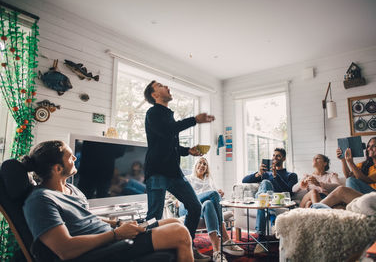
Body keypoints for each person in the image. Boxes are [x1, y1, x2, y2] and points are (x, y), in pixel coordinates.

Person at [22, 140, 193, 262]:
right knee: (180, 233)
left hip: (112, 235)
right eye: (70, 157)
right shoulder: (40, 200)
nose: (75, 158)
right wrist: (116, 234)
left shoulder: (71, 189)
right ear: (57, 168)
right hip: (101, 249)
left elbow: (86, 216)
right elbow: (65, 249)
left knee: (174, 221)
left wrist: (117, 223)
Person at [143, 80, 215, 261]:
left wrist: (187, 151)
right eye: (160, 85)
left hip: (174, 172)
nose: (167, 86)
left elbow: (169, 142)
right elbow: (167, 131)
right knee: (153, 217)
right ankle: (147, 254)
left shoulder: (168, 115)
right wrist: (194, 120)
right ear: (154, 94)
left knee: (194, 206)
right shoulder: (153, 113)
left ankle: (187, 246)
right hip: (157, 172)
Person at [180, 157, 244, 262]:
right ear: (195, 165)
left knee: (209, 203)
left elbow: (215, 201)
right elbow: (184, 196)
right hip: (188, 206)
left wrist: (220, 195)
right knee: (213, 194)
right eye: (200, 163)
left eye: (204, 164)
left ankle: (216, 252)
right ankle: (226, 238)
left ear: (207, 168)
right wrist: (214, 194)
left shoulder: (209, 181)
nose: (202, 165)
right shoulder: (188, 178)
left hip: (202, 209)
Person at [313, 137, 376, 209]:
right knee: (346, 184)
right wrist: (343, 160)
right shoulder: (366, 165)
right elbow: (347, 176)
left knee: (345, 186)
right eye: (368, 146)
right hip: (364, 197)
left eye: (374, 146)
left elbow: (364, 180)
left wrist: (350, 162)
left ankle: (316, 209)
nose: (369, 148)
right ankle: (316, 209)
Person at [242, 148, 298, 253]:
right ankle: (272, 219)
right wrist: (258, 173)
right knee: (265, 184)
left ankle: (261, 237)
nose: (274, 158)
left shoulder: (291, 175)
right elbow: (244, 180)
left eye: (278, 156)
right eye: (273, 155)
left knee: (265, 187)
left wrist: (276, 176)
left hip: (275, 200)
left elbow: (288, 192)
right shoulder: (266, 173)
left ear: (284, 159)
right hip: (263, 199)